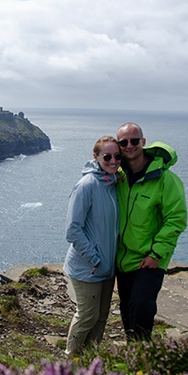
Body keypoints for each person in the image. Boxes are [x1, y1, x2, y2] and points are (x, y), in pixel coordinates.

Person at [115, 123, 188, 341]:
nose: (129, 146)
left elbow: (176, 218)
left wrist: (157, 253)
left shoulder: (166, 179)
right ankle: (134, 356)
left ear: (143, 142)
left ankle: (143, 358)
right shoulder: (117, 176)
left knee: (141, 307)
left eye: (134, 141)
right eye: (123, 142)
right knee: (128, 310)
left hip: (150, 259)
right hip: (123, 258)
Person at [63, 136, 121, 356]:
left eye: (117, 156)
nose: (113, 160)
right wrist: (95, 259)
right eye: (107, 156)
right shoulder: (87, 185)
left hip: (107, 267)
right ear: (96, 156)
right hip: (89, 266)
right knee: (87, 316)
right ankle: (71, 362)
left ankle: (89, 361)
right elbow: (73, 231)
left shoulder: (114, 182)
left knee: (102, 317)